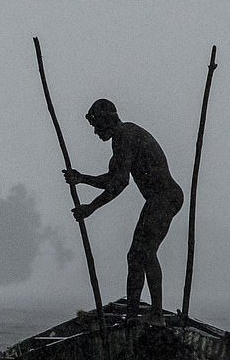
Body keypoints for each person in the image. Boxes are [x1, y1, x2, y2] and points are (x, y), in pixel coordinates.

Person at [63, 99, 183, 327]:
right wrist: (81, 179)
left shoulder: (125, 136)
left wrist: (91, 208)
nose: (96, 132)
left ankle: (153, 315)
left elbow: (120, 182)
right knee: (137, 255)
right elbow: (113, 177)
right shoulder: (122, 139)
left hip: (165, 197)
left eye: (97, 127)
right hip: (159, 199)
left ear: (106, 121)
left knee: (144, 253)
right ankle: (133, 314)